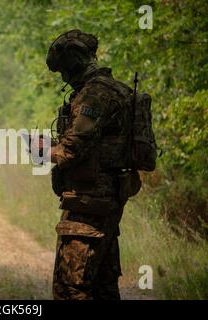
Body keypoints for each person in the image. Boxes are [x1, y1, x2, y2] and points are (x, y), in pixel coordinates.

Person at [41, 29, 142, 300]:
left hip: (89, 203)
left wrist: (43, 150)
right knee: (102, 287)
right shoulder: (116, 90)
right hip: (106, 199)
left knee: (70, 288)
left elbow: (72, 149)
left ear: (75, 62)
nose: (64, 77)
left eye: (64, 70)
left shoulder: (95, 94)